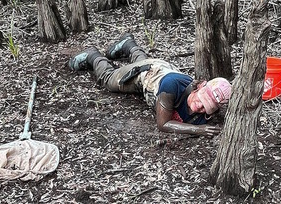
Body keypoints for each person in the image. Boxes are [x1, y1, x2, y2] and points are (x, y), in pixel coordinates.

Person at [68, 33, 232, 137]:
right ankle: (93, 55)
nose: (198, 108)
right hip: (147, 75)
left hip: (160, 68)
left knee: (143, 62)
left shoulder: (209, 111)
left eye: (205, 108)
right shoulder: (171, 87)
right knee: (110, 80)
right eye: (199, 101)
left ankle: (127, 44)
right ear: (199, 87)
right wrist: (197, 130)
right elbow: (163, 124)